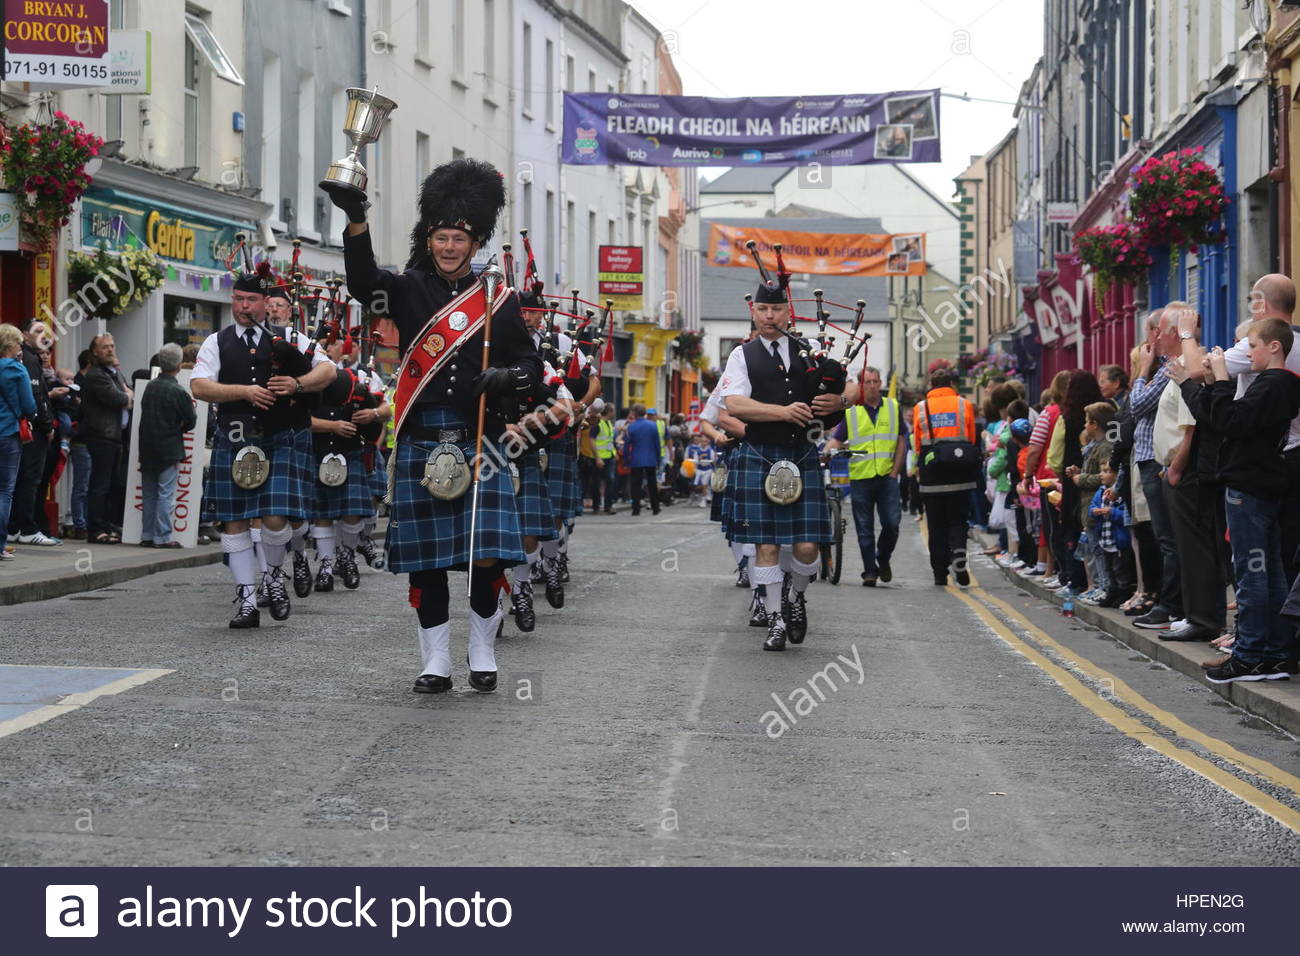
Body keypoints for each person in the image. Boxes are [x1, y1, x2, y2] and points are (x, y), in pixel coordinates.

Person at [336, 157, 540, 693]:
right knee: (427, 561)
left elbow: (533, 368)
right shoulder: (405, 289)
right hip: (424, 434)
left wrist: (507, 377)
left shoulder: (498, 298)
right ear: (429, 240)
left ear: (475, 245)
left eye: (459, 239)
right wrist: (357, 219)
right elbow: (362, 283)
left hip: (482, 439)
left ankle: (481, 650)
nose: (450, 247)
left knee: (485, 555)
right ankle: (436, 661)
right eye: (442, 237)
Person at [191, 263, 336, 627]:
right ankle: (247, 600)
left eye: (251, 299)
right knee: (234, 521)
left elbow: (328, 372)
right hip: (237, 440)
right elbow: (199, 386)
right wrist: (243, 391)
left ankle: (272, 576)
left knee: (273, 517)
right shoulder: (217, 341)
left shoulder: (290, 338)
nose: (243, 306)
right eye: (238, 298)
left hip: (283, 438)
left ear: (264, 302)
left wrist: (298, 385)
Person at [719, 272, 857, 650]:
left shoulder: (811, 347)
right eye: (762, 309)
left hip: (803, 454)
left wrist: (842, 401)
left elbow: (851, 383)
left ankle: (796, 597)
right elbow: (733, 404)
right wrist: (781, 413)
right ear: (754, 310)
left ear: (787, 312)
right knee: (764, 544)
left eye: (776, 309)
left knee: (808, 546)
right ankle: (777, 618)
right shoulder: (740, 354)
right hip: (761, 455)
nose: (768, 316)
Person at [1180, 318, 1300, 682]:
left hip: (1250, 485)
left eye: (1253, 346)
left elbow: (1228, 421)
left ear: (1275, 347)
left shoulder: (1273, 385)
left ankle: (1247, 656)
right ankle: (1274, 654)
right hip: (1261, 482)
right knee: (1271, 571)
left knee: (1252, 571)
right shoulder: (1277, 384)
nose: (1248, 354)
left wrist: (1216, 378)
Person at [309, 341, 389, 591]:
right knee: (322, 514)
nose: (328, 350)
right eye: (325, 346)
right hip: (319, 451)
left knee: (353, 513)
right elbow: (298, 419)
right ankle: (324, 566)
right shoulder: (308, 377)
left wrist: (372, 415)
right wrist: (331, 426)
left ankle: (346, 555)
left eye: (333, 345)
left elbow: (385, 407)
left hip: (353, 450)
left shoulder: (363, 376)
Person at [824, 366, 906, 586]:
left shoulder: (892, 406)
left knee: (892, 524)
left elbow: (901, 441)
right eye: (867, 382)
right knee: (864, 528)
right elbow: (837, 440)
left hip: (887, 477)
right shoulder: (851, 412)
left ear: (880, 384)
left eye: (875, 381)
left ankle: (883, 558)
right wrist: (824, 454)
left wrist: (895, 471)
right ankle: (870, 571)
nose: (871, 386)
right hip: (861, 478)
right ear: (860, 385)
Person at [912, 367, 978, 587]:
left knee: (936, 525)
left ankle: (940, 572)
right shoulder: (964, 404)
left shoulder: (921, 408)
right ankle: (959, 554)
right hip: (960, 469)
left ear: (931, 385)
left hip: (933, 472)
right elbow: (970, 437)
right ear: (951, 385)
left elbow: (919, 442)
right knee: (958, 520)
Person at [137, 343, 197, 548]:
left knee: (150, 493)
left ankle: (146, 534)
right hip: (169, 447)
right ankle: (161, 536)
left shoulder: (149, 387)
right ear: (179, 366)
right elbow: (191, 420)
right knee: (165, 494)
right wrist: (179, 426)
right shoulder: (179, 391)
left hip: (147, 446)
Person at [6, 320, 59, 546]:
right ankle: (26, 528)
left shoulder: (27, 359)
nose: (43, 335)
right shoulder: (27, 361)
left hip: (22, 429)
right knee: (29, 479)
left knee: (18, 481)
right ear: (25, 336)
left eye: (45, 332)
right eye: (37, 331)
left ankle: (16, 527)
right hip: (30, 430)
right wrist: (47, 426)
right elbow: (35, 399)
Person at [79, 333, 134, 545]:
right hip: (101, 435)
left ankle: (107, 524)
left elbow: (128, 393)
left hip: (115, 436)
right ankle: (95, 529)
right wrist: (127, 396)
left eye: (112, 346)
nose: (110, 350)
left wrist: (127, 395)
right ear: (95, 351)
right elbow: (118, 398)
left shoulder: (114, 373)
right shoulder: (96, 375)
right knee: (100, 485)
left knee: (112, 484)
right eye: (105, 347)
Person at [0, 324, 38, 561]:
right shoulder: (17, 370)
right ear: (11, 345)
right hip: (8, 433)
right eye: (18, 343)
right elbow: (29, 406)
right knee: (4, 491)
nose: (20, 347)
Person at [624, 403, 662, 516]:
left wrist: (626, 460)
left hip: (636, 459)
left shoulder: (631, 427)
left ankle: (636, 509)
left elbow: (626, 446)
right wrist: (658, 459)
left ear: (634, 414)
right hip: (650, 458)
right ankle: (655, 507)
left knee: (635, 484)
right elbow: (657, 445)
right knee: (652, 484)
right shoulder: (653, 425)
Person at [593, 403, 617, 513]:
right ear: (609, 411)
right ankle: (596, 506)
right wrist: (597, 457)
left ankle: (608, 506)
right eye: (613, 410)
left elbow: (609, 441)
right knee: (597, 482)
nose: (615, 412)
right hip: (600, 457)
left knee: (610, 481)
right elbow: (591, 440)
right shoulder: (598, 423)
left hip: (609, 456)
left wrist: (614, 453)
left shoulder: (609, 423)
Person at [685, 432, 716, 507]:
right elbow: (695, 462)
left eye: (705, 441)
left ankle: (704, 500)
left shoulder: (710, 451)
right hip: (699, 470)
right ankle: (698, 496)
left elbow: (713, 461)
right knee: (697, 486)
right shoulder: (697, 451)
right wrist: (695, 469)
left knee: (705, 485)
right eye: (702, 441)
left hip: (707, 470)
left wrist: (714, 469)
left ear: (708, 442)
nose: (703, 443)